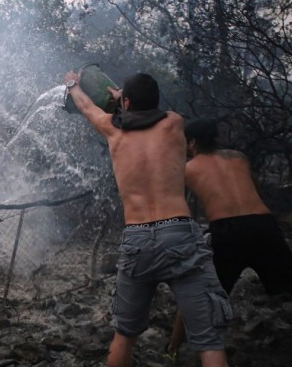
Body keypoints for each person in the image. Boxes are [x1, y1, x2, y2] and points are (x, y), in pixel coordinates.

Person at [63, 71, 230, 367]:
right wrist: (122, 96)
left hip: (137, 237)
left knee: (125, 334)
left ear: (126, 102)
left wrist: (73, 83)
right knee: (209, 340)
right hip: (179, 232)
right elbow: (147, 112)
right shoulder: (174, 122)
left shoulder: (112, 130)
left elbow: (87, 106)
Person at [166, 118, 292, 356]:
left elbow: (177, 209)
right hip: (264, 225)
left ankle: (171, 349)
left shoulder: (187, 169)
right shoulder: (238, 158)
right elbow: (253, 191)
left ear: (191, 143)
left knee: (197, 292)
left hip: (227, 231)